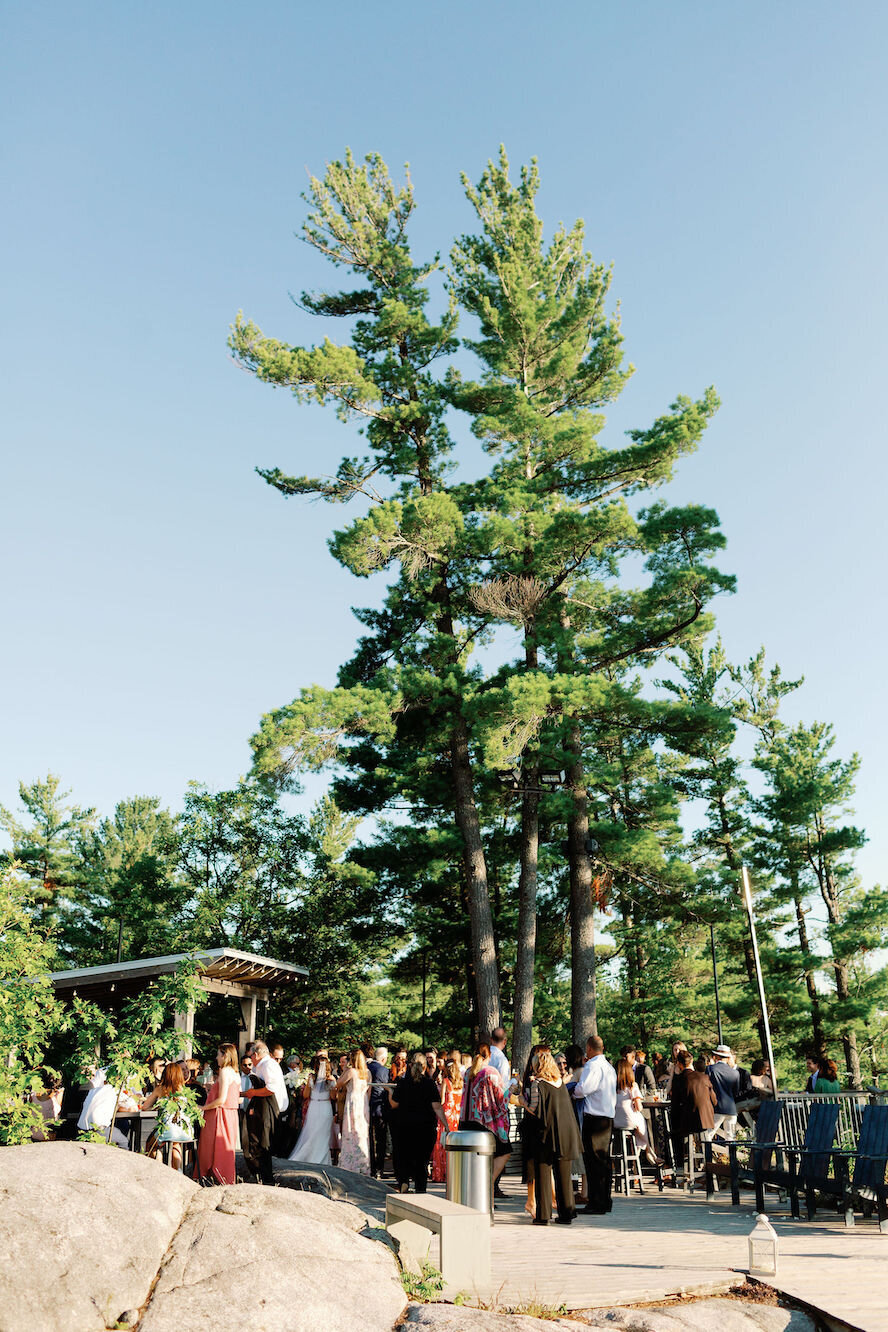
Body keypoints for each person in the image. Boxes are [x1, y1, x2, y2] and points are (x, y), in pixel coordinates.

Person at [521, 1046, 582, 1225]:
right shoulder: (560, 1082)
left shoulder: (537, 1084)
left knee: (543, 1172)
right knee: (563, 1174)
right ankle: (567, 1213)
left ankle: (543, 1214)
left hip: (546, 1133)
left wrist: (522, 1101)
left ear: (537, 1066)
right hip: (566, 1132)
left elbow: (534, 1108)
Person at [388, 1051, 448, 1193]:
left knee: (404, 1156)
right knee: (422, 1160)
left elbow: (394, 1104)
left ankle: (404, 1181)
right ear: (424, 1066)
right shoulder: (429, 1084)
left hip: (404, 1126)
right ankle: (420, 1189)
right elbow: (436, 1107)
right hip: (425, 1127)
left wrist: (390, 1092)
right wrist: (446, 1124)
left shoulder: (402, 1083)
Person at [572, 1034, 617, 1215]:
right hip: (607, 1117)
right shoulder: (609, 1067)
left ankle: (596, 1202)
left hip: (595, 1117)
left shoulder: (593, 1065)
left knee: (593, 1162)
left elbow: (584, 1089)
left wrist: (574, 1091)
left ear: (589, 1049)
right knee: (604, 1162)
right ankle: (605, 1200)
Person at [459, 1042, 512, 1195]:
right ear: (489, 1055)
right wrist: (512, 1089)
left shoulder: (469, 1071)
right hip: (484, 1122)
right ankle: (486, 1186)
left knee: (476, 1160)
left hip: (466, 1122)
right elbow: (500, 1097)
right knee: (504, 1151)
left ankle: (475, 1191)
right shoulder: (490, 1072)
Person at [242, 1039, 287, 1184]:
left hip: (270, 1108)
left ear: (255, 1055)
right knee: (257, 1142)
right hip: (262, 1107)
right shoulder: (261, 1066)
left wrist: (253, 1092)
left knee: (263, 1143)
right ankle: (259, 1174)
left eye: (250, 1056)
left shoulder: (268, 1065)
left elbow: (271, 1089)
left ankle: (266, 1178)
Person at [195, 1042, 241, 1184]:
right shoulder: (235, 1073)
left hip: (219, 1115)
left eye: (218, 1054)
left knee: (212, 1148)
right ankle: (223, 1177)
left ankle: (209, 1176)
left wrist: (202, 1107)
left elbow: (221, 1099)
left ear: (225, 1055)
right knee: (226, 1147)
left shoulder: (225, 1071)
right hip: (230, 1115)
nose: (216, 1058)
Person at [670, 1050, 716, 1176]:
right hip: (706, 1119)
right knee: (704, 1142)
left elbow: (675, 1104)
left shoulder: (679, 1080)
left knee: (677, 1134)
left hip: (688, 1122)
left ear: (679, 1064)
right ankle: (709, 1174)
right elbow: (714, 1100)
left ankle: (688, 1172)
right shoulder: (703, 1076)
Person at [141, 1062, 194, 1169]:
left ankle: (159, 1170)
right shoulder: (185, 1090)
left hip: (168, 1130)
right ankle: (178, 1171)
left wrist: (158, 1106)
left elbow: (145, 1107)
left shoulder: (161, 1089)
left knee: (151, 1145)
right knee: (175, 1144)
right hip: (187, 1131)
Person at [289, 1054, 336, 1165]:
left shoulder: (311, 1077)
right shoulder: (331, 1079)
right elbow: (334, 1097)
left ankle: (309, 1157)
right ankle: (322, 1159)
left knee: (311, 1132)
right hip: (325, 1107)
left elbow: (306, 1095)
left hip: (314, 1106)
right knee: (323, 1135)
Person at [613, 1057, 659, 1163]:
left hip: (615, 1122)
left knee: (637, 1126)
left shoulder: (613, 1088)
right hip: (629, 1122)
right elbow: (639, 1107)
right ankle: (648, 1152)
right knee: (640, 1119)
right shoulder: (632, 1086)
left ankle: (648, 1153)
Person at [335, 1048, 372, 1174]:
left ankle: (349, 1163)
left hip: (353, 1102)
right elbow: (369, 1092)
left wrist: (344, 1071)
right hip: (363, 1103)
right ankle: (362, 1163)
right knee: (362, 1134)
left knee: (350, 1132)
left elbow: (338, 1083)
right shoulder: (367, 1072)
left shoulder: (351, 1071)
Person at [431, 1056, 462, 1182]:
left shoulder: (446, 1082)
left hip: (447, 1115)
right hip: (457, 1115)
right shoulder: (461, 1083)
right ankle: (453, 1172)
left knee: (442, 1143)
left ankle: (441, 1173)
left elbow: (442, 1100)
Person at [706, 1044, 740, 1141]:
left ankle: (706, 1156)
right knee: (730, 1138)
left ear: (716, 1056)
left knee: (708, 1136)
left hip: (717, 1107)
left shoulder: (710, 1069)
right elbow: (736, 1092)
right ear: (728, 1058)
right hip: (732, 1109)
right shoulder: (735, 1072)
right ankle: (732, 1156)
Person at [366, 1044, 390, 1178]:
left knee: (369, 1139)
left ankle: (370, 1167)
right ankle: (379, 1168)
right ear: (384, 1059)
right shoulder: (384, 1071)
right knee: (380, 1141)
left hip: (367, 1107)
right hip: (380, 1108)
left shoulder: (366, 1067)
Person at [488, 1027, 511, 1091]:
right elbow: (504, 1086)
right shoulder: (502, 1060)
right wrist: (514, 1081)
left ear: (491, 1039)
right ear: (505, 1041)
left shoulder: (482, 1055)